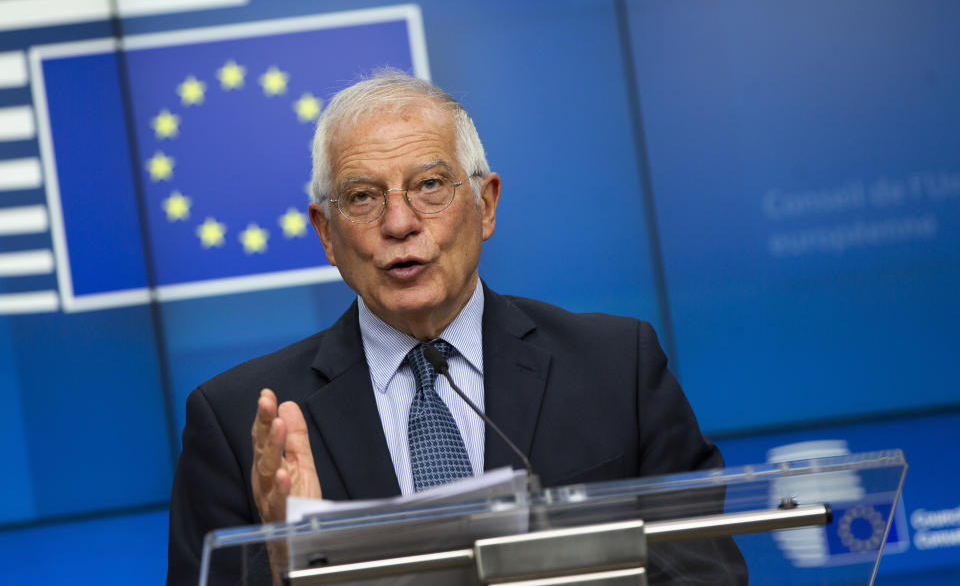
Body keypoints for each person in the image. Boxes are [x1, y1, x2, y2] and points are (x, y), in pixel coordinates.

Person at [167, 70, 746, 584]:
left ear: (485, 204)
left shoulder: (616, 367)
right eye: (363, 196)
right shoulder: (238, 424)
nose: (399, 223)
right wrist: (283, 562)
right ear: (326, 233)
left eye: (429, 186)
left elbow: (704, 572)